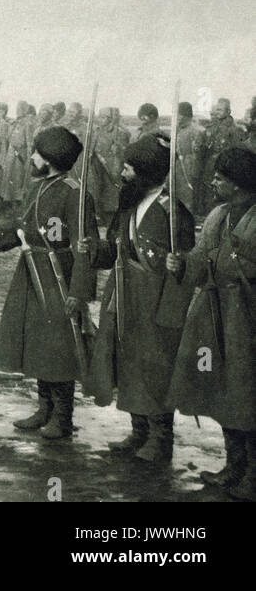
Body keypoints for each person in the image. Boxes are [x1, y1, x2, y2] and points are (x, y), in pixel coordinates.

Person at [0, 126, 99, 439]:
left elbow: (84, 245)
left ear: (50, 159)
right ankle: (44, 407)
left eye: (37, 153)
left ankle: (62, 415)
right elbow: (24, 229)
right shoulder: (39, 187)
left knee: (60, 346)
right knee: (41, 344)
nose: (32, 157)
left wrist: (80, 292)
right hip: (32, 273)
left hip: (61, 276)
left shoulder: (75, 193)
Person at [81, 133, 195, 462]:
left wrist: (171, 313)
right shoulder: (128, 205)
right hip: (123, 296)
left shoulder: (173, 213)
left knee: (155, 366)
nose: (123, 174)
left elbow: (183, 269)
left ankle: (161, 439)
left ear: (146, 173)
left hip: (156, 302)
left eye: (129, 169)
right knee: (127, 360)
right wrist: (95, 250)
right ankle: (139, 431)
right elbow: (115, 251)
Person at [165, 147, 256, 499]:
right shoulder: (219, 214)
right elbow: (202, 260)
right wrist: (183, 265)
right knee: (224, 389)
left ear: (238, 184)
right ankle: (234, 466)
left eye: (221, 177)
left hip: (247, 317)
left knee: (248, 393)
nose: (214, 181)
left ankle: (253, 474)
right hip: (216, 313)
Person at [196, 98, 244, 218]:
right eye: (216, 109)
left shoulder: (234, 129)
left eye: (220, 109)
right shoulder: (213, 127)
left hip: (224, 168)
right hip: (210, 166)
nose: (217, 112)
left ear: (228, 111)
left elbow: (236, 151)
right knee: (208, 192)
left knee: (221, 195)